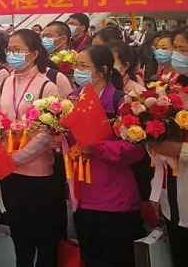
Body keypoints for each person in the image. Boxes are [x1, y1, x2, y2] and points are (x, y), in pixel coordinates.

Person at [70, 45, 145, 267]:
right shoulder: (72, 100)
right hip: (82, 194)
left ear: (102, 70)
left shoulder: (120, 102)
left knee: (116, 259)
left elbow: (135, 150)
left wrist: (97, 148)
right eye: (76, 65)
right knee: (91, 258)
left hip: (115, 197)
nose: (78, 71)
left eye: (84, 66)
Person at [0, 29, 60, 267]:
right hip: (9, 169)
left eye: (17, 50)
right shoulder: (6, 83)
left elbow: (48, 131)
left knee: (42, 232)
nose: (11, 54)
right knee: (18, 229)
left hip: (37, 172)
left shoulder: (47, 87)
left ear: (33, 54)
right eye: (9, 49)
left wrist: (19, 156)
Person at [150, 25, 188, 266]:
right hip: (173, 196)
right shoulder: (173, 85)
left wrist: (180, 150)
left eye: (183, 50)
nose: (176, 55)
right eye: (176, 48)